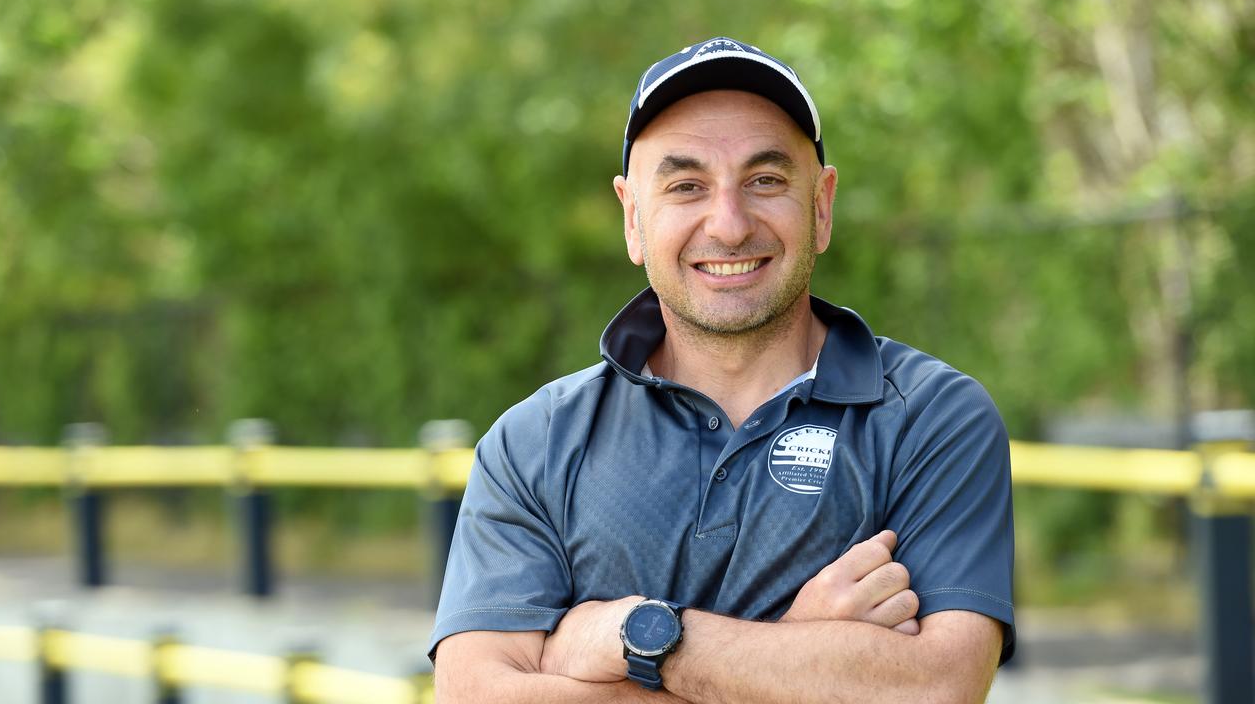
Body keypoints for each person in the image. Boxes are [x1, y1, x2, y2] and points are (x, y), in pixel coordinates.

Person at [429, 36, 1014, 703]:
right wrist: (804, 642)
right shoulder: (532, 444)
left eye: (766, 180)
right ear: (633, 219)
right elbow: (473, 694)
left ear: (822, 206)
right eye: (686, 186)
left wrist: (633, 635)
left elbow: (936, 689)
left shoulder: (931, 419)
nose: (729, 225)